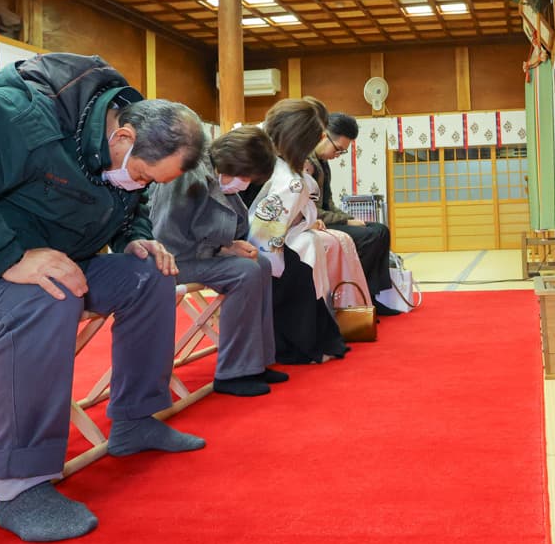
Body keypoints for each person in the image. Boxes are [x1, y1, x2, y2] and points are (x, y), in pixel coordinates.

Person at [0, 53, 209, 543]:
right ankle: (23, 484)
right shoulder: (19, 115)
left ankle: (135, 419)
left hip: (39, 266)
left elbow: (128, 203)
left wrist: (136, 237)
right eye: (145, 176)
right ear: (123, 137)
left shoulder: (116, 144)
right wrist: (8, 255)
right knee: (48, 295)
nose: (141, 185)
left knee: (149, 274)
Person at [149, 125, 290, 398]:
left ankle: (255, 362)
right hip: (168, 260)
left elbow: (211, 230)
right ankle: (233, 373)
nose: (245, 183)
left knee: (261, 264)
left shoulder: (217, 171)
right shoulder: (185, 174)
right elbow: (166, 239)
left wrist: (228, 246)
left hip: (193, 254)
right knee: (244, 272)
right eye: (245, 176)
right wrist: (223, 248)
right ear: (232, 163)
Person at [249, 98, 347, 363]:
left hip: (276, 236)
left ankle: (316, 338)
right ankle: (294, 344)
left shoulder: (282, 164)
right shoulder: (270, 166)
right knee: (298, 268)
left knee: (306, 262)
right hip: (255, 243)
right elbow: (263, 233)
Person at [308, 112, 394, 313]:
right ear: (323, 136)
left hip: (324, 218)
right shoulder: (307, 164)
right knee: (369, 237)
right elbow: (311, 210)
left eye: (342, 152)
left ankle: (371, 296)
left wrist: (349, 218)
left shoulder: (323, 164)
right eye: (338, 149)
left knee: (381, 230)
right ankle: (354, 296)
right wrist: (346, 222)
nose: (337, 155)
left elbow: (328, 203)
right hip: (313, 222)